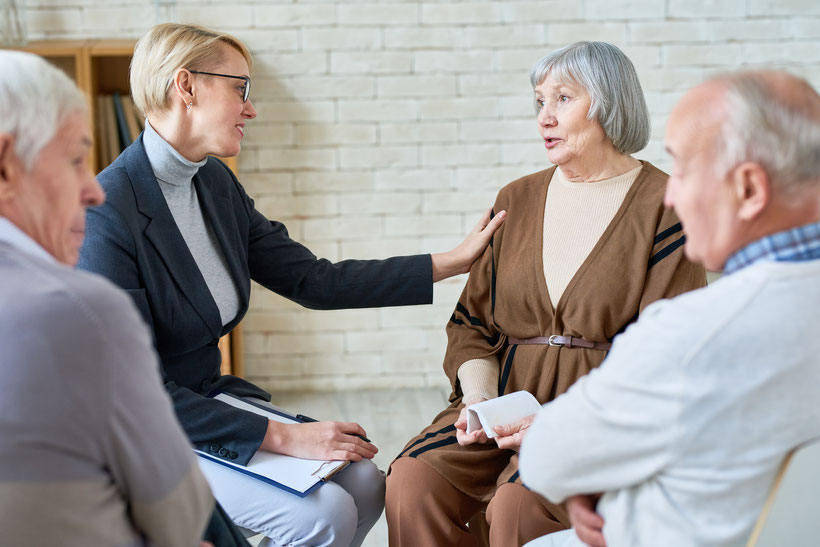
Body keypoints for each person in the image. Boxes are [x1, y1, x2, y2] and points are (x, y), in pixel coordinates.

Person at [77, 23, 504, 547]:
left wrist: (449, 262)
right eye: (240, 88)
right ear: (185, 86)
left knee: (368, 483)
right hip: (146, 428)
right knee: (320, 516)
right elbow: (132, 391)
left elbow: (313, 279)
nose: (251, 109)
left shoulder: (212, 182)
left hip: (209, 402)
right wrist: (287, 436)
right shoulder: (106, 214)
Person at [385, 41, 706, 546]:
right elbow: (471, 326)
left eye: (562, 99)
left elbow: (663, 353)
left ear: (607, 103)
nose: (544, 118)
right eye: (539, 102)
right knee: (411, 479)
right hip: (502, 405)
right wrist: (480, 403)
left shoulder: (665, 207)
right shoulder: (516, 198)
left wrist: (560, 423)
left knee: (519, 503)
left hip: (597, 415)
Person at [519, 70, 820, 547]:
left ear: (748, 190)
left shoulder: (690, 334)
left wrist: (598, 476)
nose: (671, 195)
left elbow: (545, 459)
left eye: (681, 169)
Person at [0, 50, 214, 546]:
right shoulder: (81, 311)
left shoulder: (213, 182)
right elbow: (180, 516)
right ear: (6, 168)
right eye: (76, 159)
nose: (92, 192)